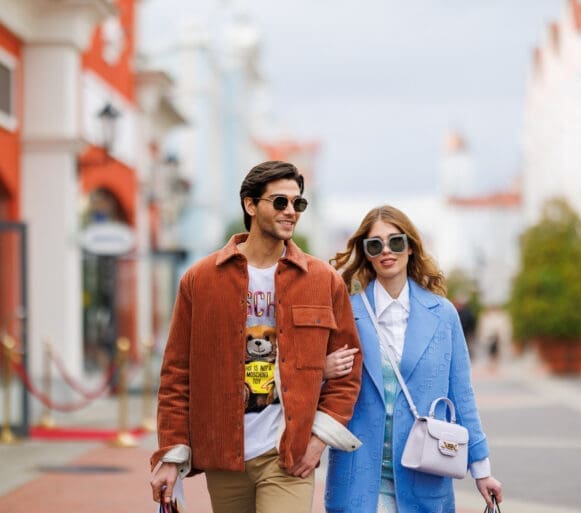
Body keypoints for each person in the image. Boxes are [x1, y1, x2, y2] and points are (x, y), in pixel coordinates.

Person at [150, 161, 363, 513]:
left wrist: (317, 441)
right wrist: (171, 455)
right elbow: (176, 374)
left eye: (298, 203)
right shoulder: (200, 280)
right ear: (251, 205)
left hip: (286, 454)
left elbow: (348, 372)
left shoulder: (322, 280)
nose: (291, 211)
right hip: (224, 455)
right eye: (280, 202)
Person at [324, 205, 502, 513]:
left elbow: (461, 396)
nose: (386, 251)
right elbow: (320, 387)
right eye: (375, 244)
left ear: (410, 247)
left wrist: (481, 469)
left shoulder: (443, 314)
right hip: (358, 479)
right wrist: (323, 369)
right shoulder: (346, 313)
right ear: (366, 252)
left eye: (396, 241)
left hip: (424, 477)